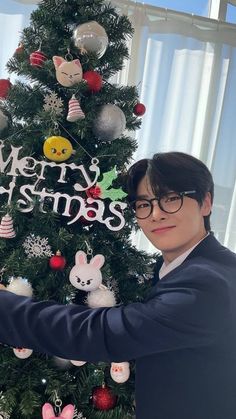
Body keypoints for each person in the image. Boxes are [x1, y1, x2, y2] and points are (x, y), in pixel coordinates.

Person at [0, 151, 236, 419]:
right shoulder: (179, 267)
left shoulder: (209, 282)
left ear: (205, 203)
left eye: (171, 199)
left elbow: (104, 332)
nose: (156, 213)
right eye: (144, 204)